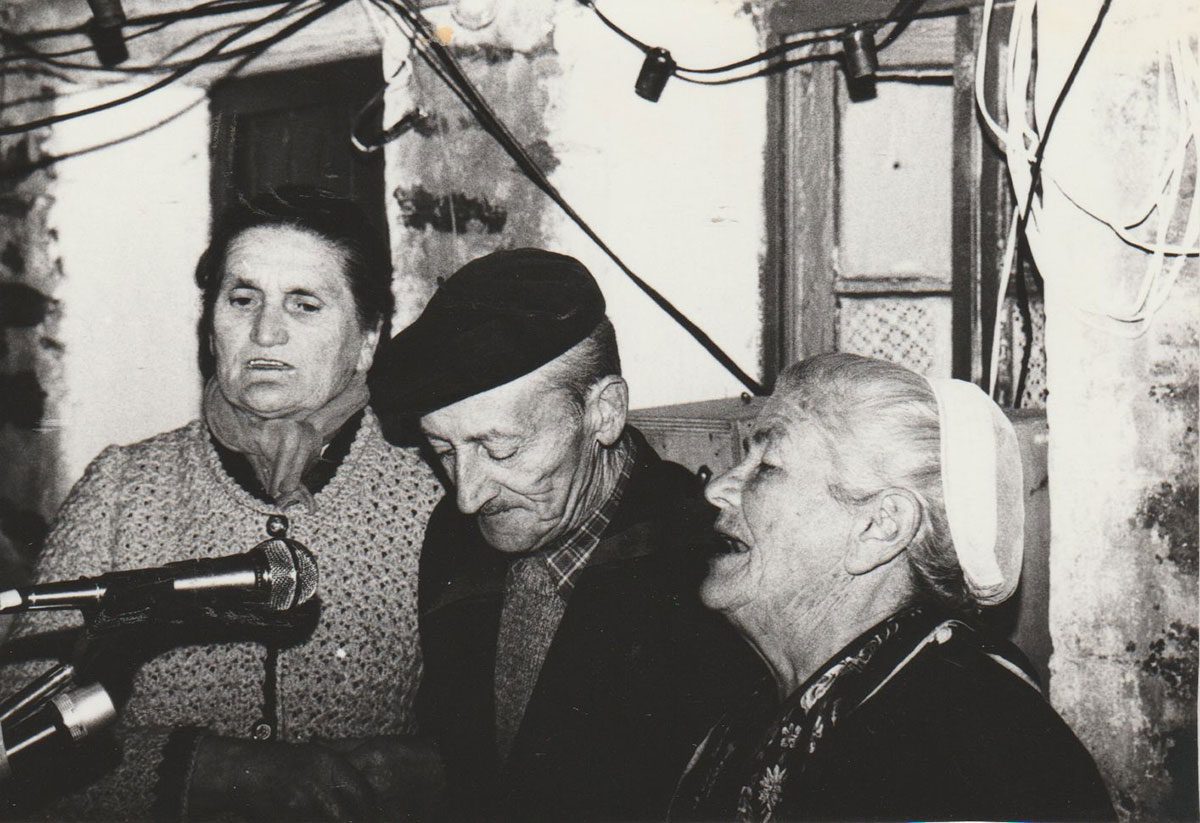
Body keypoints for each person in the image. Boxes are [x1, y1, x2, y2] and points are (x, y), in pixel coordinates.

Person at [0, 187, 443, 820]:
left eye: (304, 304)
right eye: (242, 299)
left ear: (368, 339)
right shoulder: (123, 488)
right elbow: (18, 739)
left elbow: (495, 747)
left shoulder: (431, 496)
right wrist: (194, 771)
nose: (266, 331)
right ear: (211, 328)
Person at [370, 247, 766, 821]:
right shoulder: (455, 536)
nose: (468, 496)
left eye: (500, 449)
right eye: (444, 452)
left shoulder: (712, 574)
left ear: (603, 412)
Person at [669, 353, 1116, 822]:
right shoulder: (755, 704)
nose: (716, 488)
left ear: (880, 527)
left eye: (767, 466)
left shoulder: (971, 747)